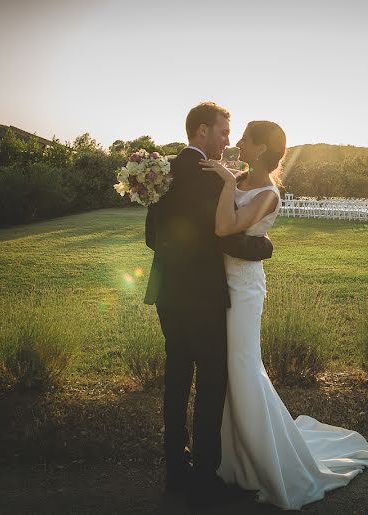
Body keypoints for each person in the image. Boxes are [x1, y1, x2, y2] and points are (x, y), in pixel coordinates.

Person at [200, 121, 368, 510]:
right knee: (224, 371)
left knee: (243, 368)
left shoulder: (268, 194)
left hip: (243, 288)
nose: (238, 143)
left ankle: (267, 464)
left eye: (245, 138)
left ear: (260, 149)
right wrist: (227, 181)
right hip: (216, 284)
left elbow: (225, 227)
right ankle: (233, 462)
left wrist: (227, 184)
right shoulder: (239, 178)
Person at [143, 102, 273, 506]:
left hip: (168, 294)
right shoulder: (215, 181)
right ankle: (205, 476)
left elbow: (151, 237)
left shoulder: (158, 172)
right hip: (204, 297)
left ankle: (174, 472)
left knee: (177, 381)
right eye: (222, 132)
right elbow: (222, 236)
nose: (227, 141)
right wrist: (263, 245)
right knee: (212, 383)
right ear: (201, 132)